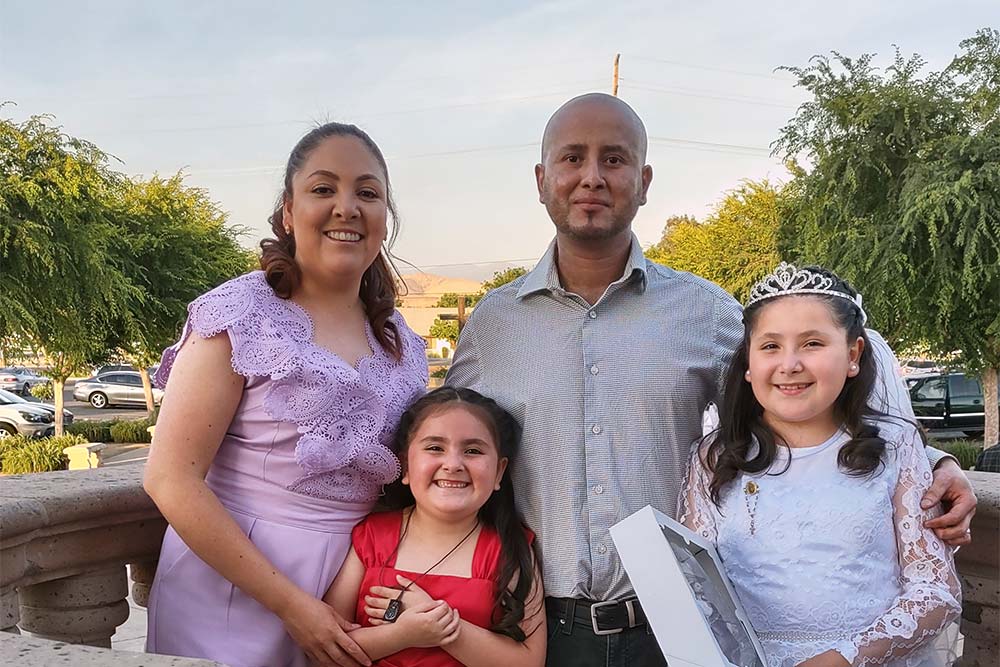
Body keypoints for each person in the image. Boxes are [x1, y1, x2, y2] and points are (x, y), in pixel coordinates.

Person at [437, 93, 977, 667]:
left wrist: (937, 463)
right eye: (572, 158)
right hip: (535, 630)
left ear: (644, 181)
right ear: (542, 178)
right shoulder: (492, 327)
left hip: (673, 632)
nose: (592, 177)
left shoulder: (708, 313)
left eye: (614, 159)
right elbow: (447, 445)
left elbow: (801, 400)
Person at [143, 122, 429, 667]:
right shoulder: (239, 314)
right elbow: (169, 478)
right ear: (288, 212)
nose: (347, 207)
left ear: (384, 220)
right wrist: (293, 606)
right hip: (232, 593)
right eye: (324, 189)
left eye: (367, 193)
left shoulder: (403, 344)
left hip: (355, 595)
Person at [680, 263, 961, 667]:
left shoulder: (896, 448)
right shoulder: (714, 459)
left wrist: (843, 659)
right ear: (748, 362)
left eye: (812, 344)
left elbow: (934, 590)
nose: (789, 364)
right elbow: (699, 589)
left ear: (852, 355)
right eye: (771, 346)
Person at [323, 386, 546, 666]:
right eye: (435, 448)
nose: (453, 464)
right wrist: (404, 634)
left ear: (499, 471)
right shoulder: (371, 538)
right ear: (405, 464)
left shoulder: (510, 549)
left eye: (473, 450)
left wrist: (444, 629)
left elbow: (529, 662)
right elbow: (327, 648)